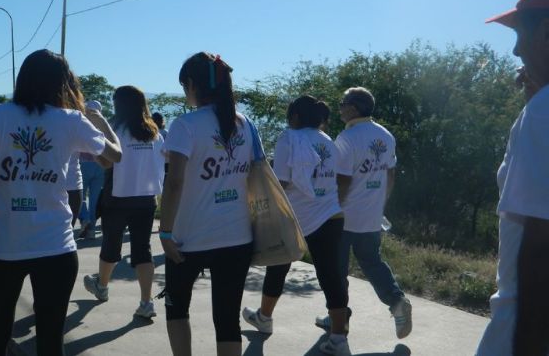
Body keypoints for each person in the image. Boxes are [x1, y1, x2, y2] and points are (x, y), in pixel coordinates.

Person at [0, 49, 122, 356]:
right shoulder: (71, 120)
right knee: (49, 340)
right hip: (56, 246)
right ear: (63, 83)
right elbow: (114, 157)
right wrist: (99, 121)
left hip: (2, 245)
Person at [160, 52, 255, 356]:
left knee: (176, 308)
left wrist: (164, 232)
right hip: (238, 236)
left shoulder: (185, 125)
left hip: (188, 239)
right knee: (227, 320)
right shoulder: (245, 124)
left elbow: (174, 182)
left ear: (191, 84)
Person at [243, 95, 352, 356]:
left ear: (295, 117)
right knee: (331, 276)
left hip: (295, 216)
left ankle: (265, 318)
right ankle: (339, 338)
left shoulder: (289, 138)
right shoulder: (328, 141)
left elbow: (283, 182)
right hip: (331, 214)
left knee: (278, 266)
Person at [476, 0, 549, 356]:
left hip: (521, 328)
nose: (516, 51)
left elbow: (540, 249)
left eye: (520, 34)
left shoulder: (543, 114)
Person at [312, 87, 412, 340]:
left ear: (354, 109)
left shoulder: (348, 138)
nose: (340, 108)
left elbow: (343, 180)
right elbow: (390, 174)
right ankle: (397, 301)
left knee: (336, 270)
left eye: (343, 103)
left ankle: (339, 317)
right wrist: (380, 204)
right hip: (371, 215)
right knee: (372, 262)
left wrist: (331, 210)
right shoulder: (385, 135)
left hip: (344, 216)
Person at [83, 85, 165, 319]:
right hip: (146, 199)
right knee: (143, 250)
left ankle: (103, 286)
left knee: (111, 243)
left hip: (117, 196)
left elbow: (106, 162)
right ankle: (146, 302)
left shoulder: (115, 129)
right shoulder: (154, 132)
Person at [78, 100, 107, 239]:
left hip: (84, 164)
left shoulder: (82, 123)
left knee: (81, 196)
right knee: (94, 199)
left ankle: (84, 218)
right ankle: (91, 231)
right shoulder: (103, 124)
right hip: (100, 165)